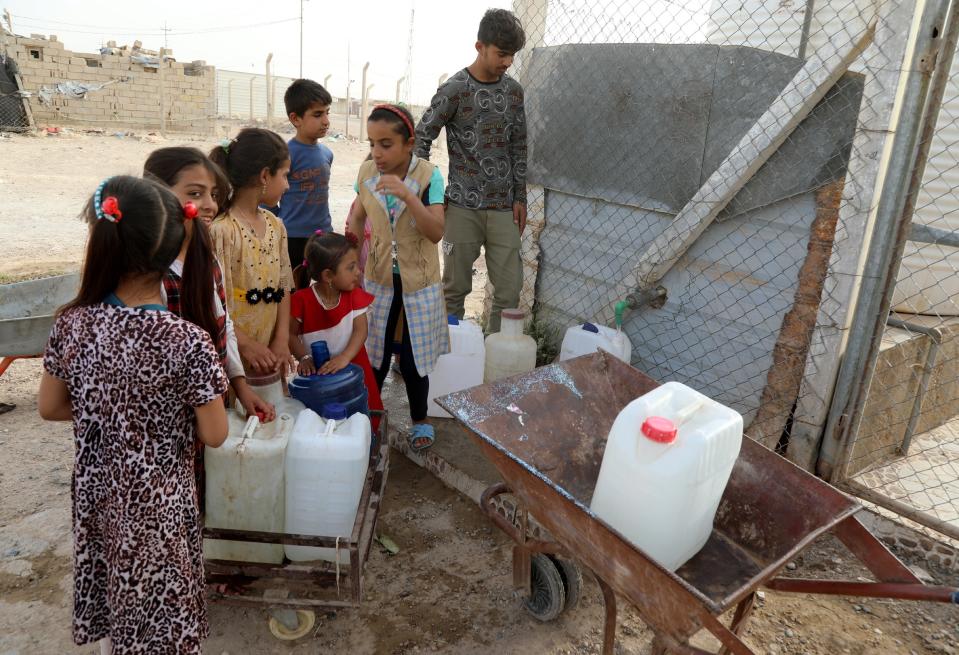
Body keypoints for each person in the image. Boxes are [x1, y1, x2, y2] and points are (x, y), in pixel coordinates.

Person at [38, 176, 229, 654]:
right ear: (172, 248)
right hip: (159, 507)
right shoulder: (186, 340)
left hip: (100, 499)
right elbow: (215, 432)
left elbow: (50, 406)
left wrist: (108, 416)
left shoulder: (72, 324)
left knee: (116, 609)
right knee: (165, 619)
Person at [415, 8, 528, 333]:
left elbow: (519, 144)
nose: (507, 62)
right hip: (461, 208)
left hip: (504, 209)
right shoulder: (455, 89)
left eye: (512, 55)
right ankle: (444, 366)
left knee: (508, 294)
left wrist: (520, 196)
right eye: (502, 53)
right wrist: (430, 193)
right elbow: (421, 137)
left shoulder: (514, 92)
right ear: (480, 47)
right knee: (454, 291)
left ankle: (491, 368)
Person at [144, 146, 275, 421]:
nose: (210, 205)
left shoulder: (207, 258)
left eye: (213, 195)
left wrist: (240, 386)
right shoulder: (149, 276)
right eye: (195, 194)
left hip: (212, 406)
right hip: (169, 416)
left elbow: (223, 322)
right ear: (156, 195)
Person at [347, 104, 448, 452]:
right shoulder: (366, 174)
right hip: (379, 279)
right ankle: (371, 418)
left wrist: (408, 195)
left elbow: (435, 231)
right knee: (375, 350)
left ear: (409, 143)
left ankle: (420, 420)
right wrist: (354, 260)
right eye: (372, 143)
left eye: (386, 144)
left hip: (418, 281)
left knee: (414, 356)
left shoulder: (429, 176)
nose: (377, 152)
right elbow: (358, 217)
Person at [209, 128, 295, 377]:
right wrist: (245, 344)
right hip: (235, 354)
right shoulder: (222, 231)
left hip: (270, 351)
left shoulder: (276, 226)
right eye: (285, 176)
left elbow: (283, 285)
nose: (287, 185)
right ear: (265, 176)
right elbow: (212, 303)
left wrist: (281, 340)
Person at [289, 230, 384, 429]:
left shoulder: (355, 296)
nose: (358, 271)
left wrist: (344, 358)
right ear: (328, 276)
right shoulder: (302, 300)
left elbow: (360, 331)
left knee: (363, 420)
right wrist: (304, 358)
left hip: (356, 367)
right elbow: (290, 334)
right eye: (351, 268)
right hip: (319, 375)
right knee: (320, 424)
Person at [276, 78, 334, 268]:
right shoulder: (285, 154)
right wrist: (278, 223)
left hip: (321, 235)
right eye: (317, 114)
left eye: (327, 113)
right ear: (295, 119)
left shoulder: (327, 153)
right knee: (294, 288)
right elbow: (266, 196)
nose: (326, 121)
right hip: (292, 237)